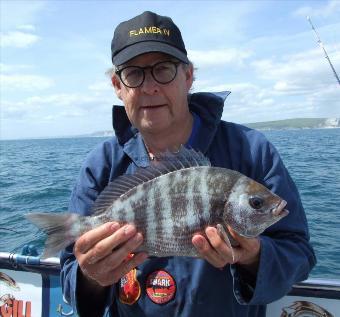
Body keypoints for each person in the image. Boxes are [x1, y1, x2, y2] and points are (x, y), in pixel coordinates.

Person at [60, 11, 316, 317]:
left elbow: (298, 255)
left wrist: (255, 257)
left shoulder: (252, 151)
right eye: (133, 74)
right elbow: (71, 277)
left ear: (188, 76)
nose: (150, 87)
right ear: (118, 85)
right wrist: (92, 276)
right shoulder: (100, 166)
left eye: (163, 70)